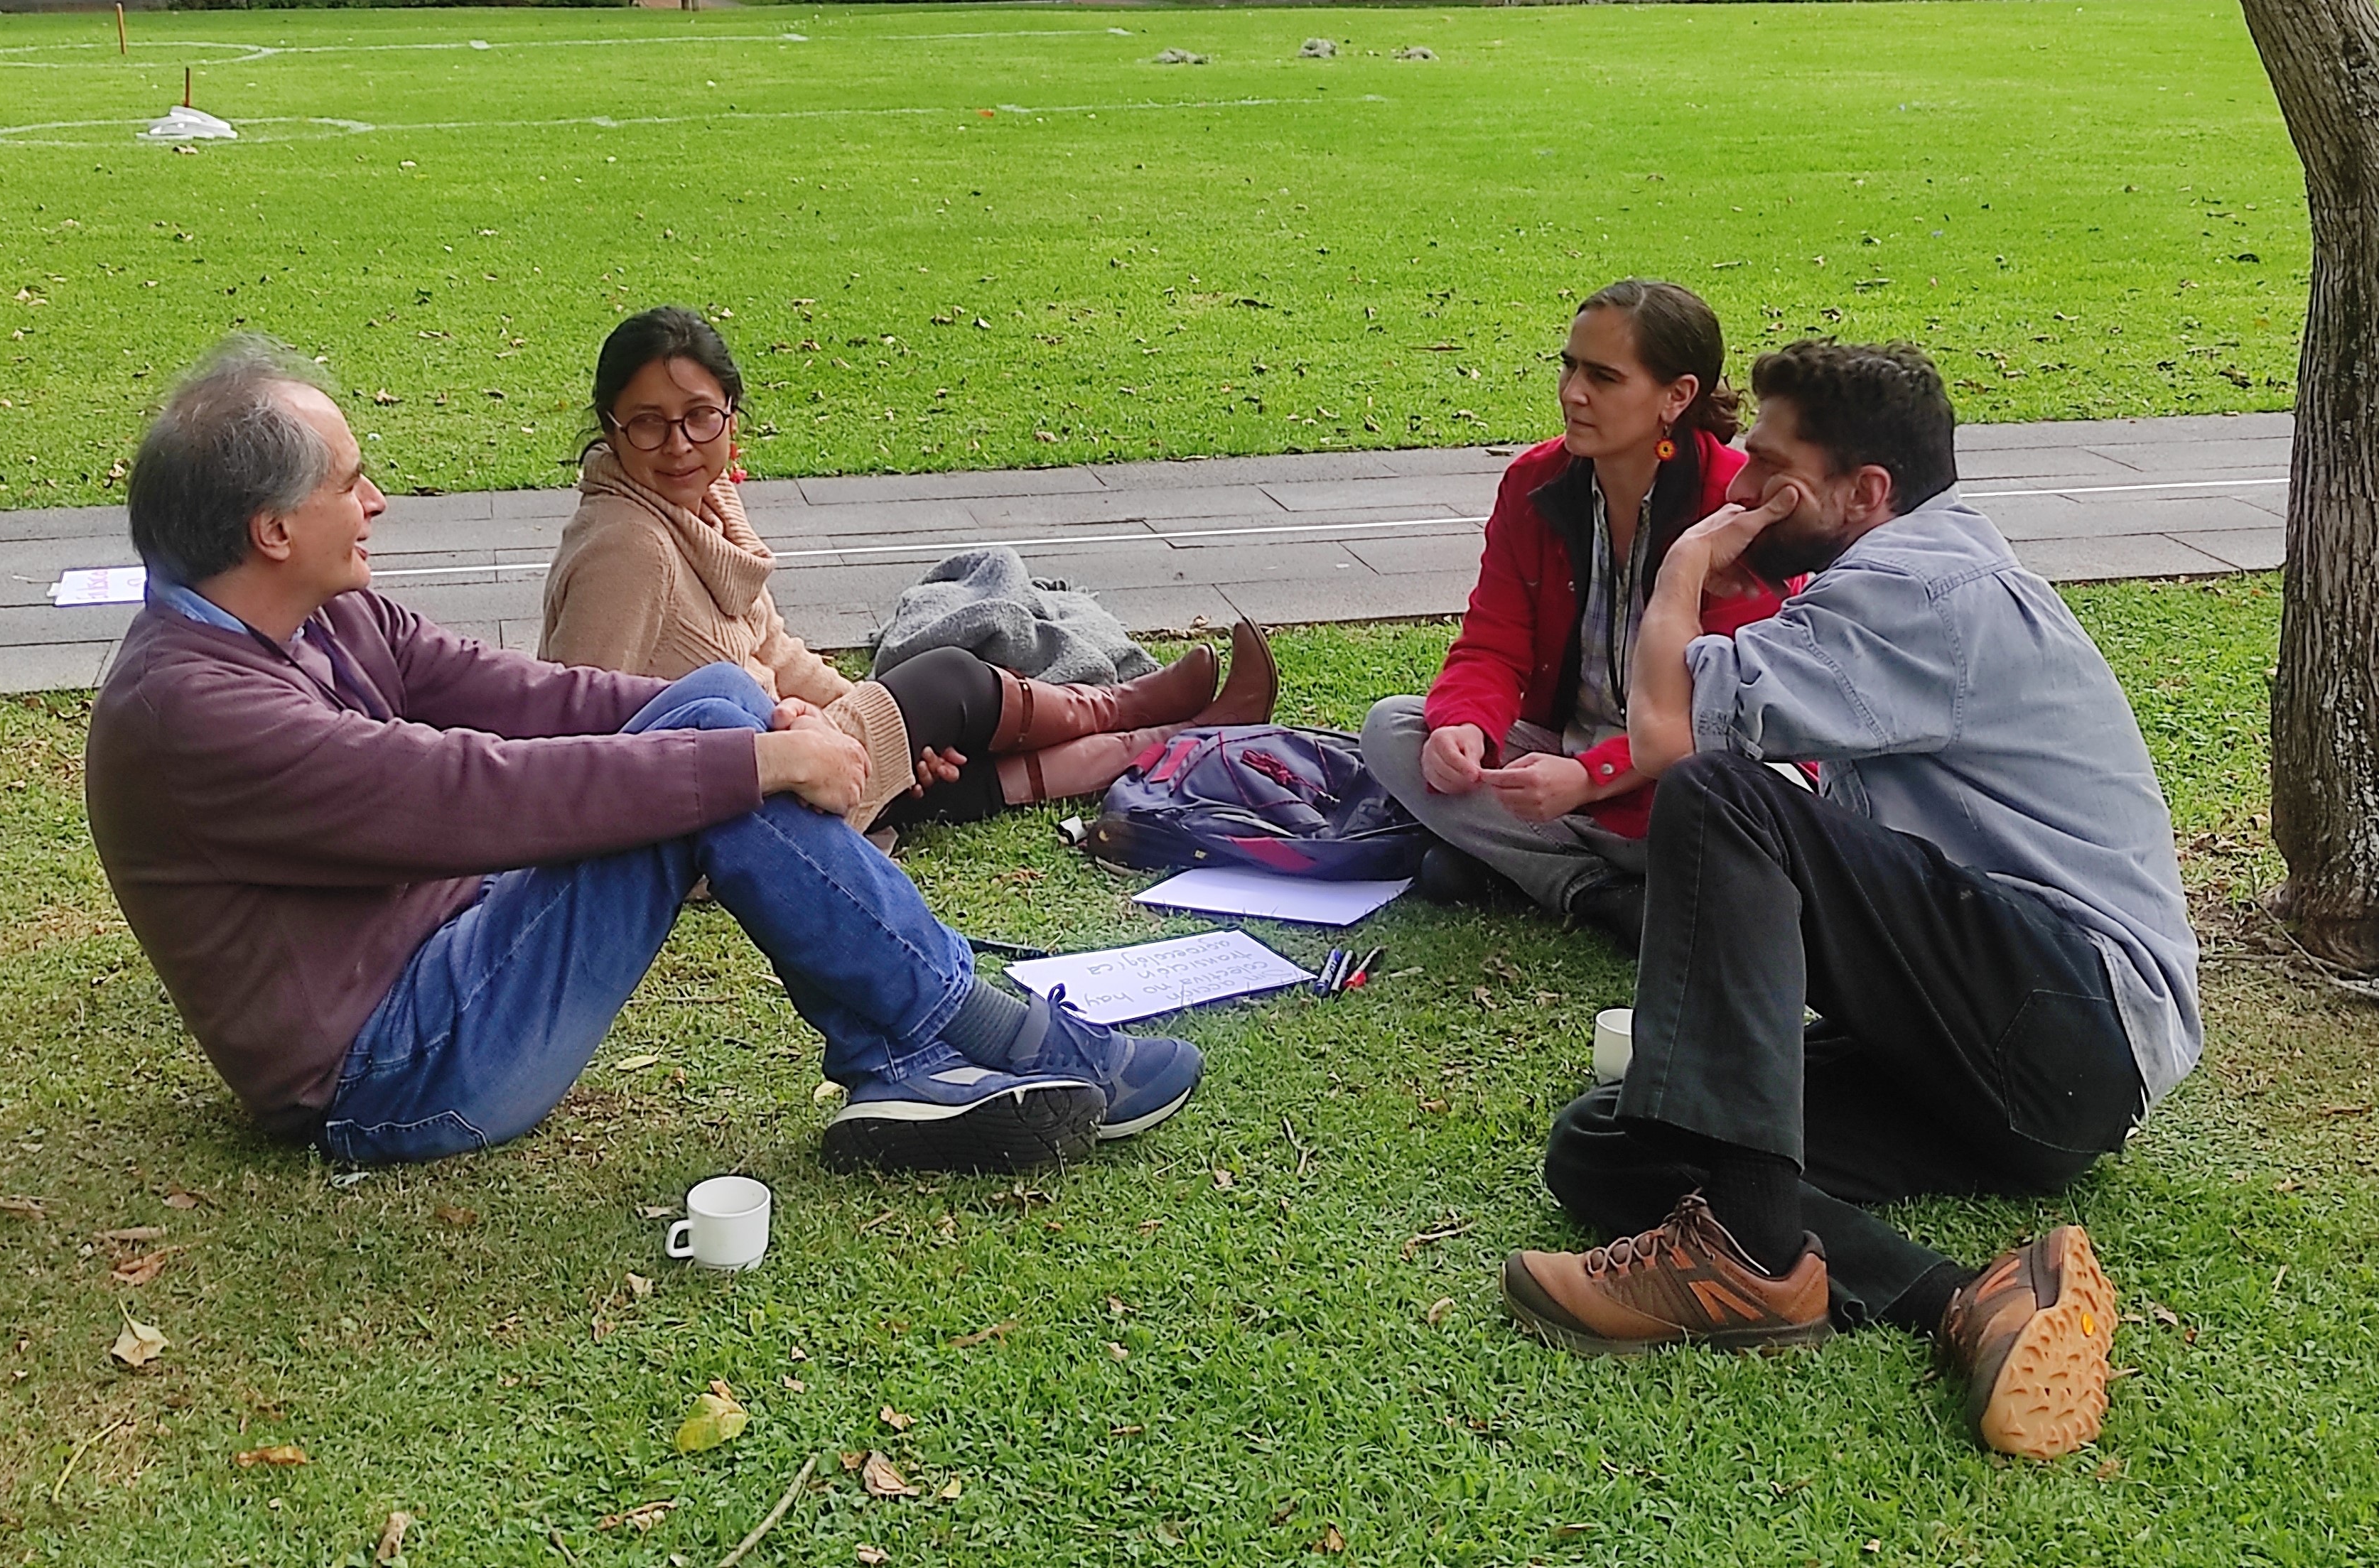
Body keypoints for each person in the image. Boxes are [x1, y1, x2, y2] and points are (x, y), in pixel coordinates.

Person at [84, 336, 1205, 1174]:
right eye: (349, 481)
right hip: (397, 1072)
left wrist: (764, 725)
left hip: (456, 952)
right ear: (272, 530)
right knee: (720, 740)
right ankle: (964, 1031)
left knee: (718, 697)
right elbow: (470, 794)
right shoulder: (195, 711)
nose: (375, 501)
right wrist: (759, 763)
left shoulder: (306, 615)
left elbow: (521, 692)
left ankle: (912, 1049)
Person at [1499, 341, 2201, 1461]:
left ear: (1864, 491)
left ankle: (1745, 1260)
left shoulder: (1914, 586)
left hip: (2068, 1017)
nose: (1736, 489)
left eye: (1765, 469)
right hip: (2007, 1070)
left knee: (1720, 793)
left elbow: (1664, 736)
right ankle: (1964, 1301)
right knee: (1605, 1141)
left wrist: (1684, 559)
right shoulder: (1894, 579)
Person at [539, 307, 1276, 831]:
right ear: (610, 428)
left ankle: (1183, 738)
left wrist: (858, 709)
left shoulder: (706, 505)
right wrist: (782, 733)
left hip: (777, 758)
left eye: (699, 415)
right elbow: (580, 731)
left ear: (732, 418)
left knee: (945, 774)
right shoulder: (628, 546)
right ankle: (1126, 709)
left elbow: (775, 651)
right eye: (647, 422)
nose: (677, 443)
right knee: (947, 680)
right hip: (717, 804)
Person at [1359, 280, 1790, 948]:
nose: (1571, 392)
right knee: (1394, 728)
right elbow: (1489, 645)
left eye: (1603, 377)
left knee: (1737, 796)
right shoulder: (1533, 482)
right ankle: (1598, 891)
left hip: (1680, 770)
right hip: (1558, 754)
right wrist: (1464, 727)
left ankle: (1517, 861)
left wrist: (1593, 778)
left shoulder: (1735, 503)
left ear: (1676, 396)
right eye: (1568, 366)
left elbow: (1728, 714)